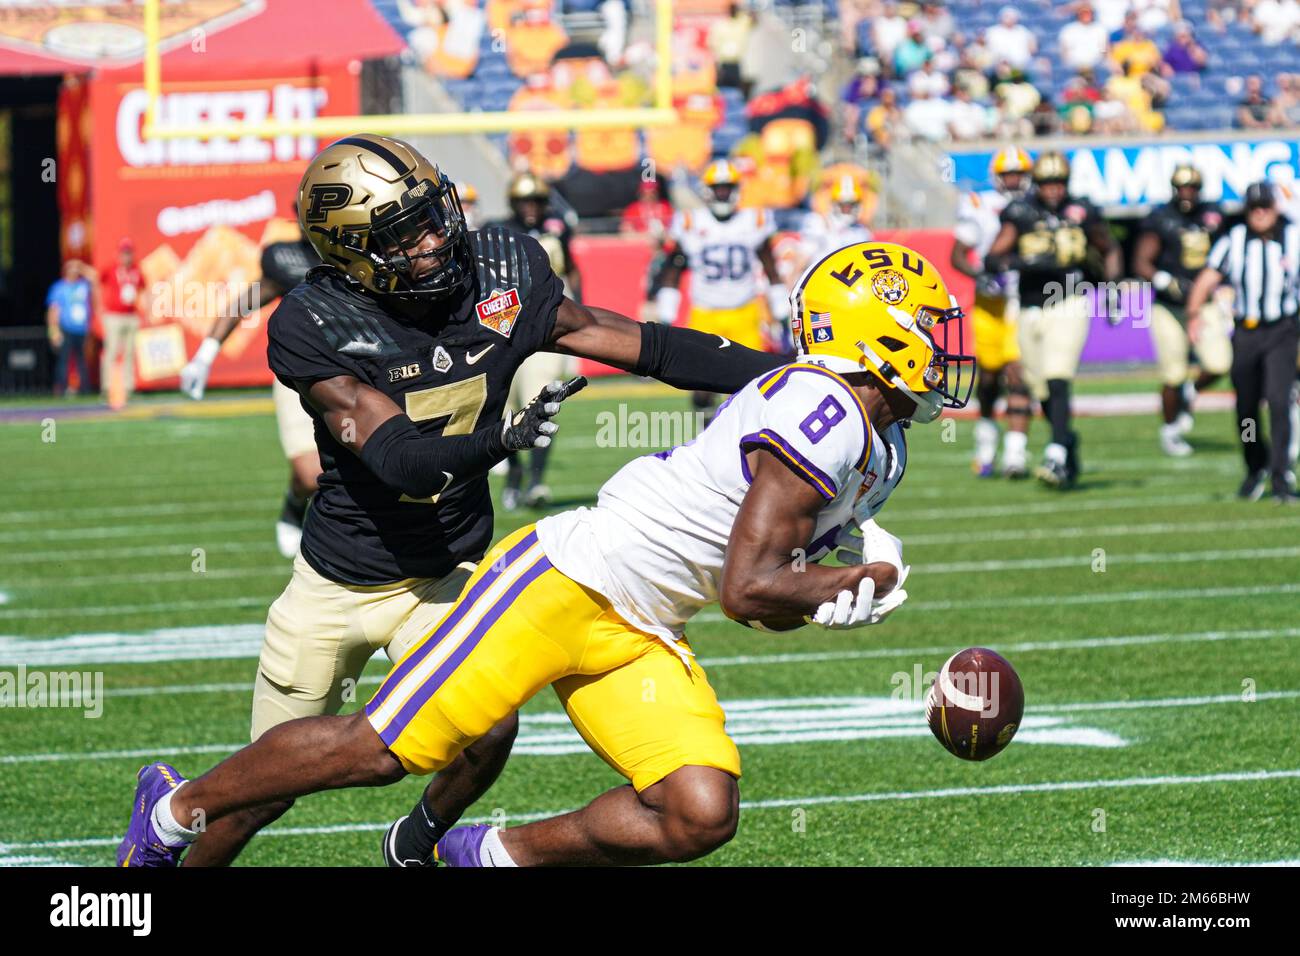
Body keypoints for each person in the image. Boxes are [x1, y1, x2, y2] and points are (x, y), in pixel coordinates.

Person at [118, 240, 974, 869]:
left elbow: (756, 603)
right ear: (876, 334)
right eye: (928, 325)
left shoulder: (880, 442)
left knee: (697, 810)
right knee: (384, 748)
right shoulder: (821, 411)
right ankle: (176, 808)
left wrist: (828, 596)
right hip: (563, 583)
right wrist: (854, 580)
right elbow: (752, 590)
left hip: (641, 624)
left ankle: (483, 855)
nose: (946, 343)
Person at [136, 134, 789, 868]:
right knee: (259, 793)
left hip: (448, 569)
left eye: (433, 212)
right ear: (353, 253)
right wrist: (500, 442)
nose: (436, 237)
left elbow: (648, 346)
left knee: (489, 732)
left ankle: (414, 845)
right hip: (340, 580)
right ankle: (161, 840)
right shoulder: (314, 322)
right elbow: (399, 462)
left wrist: (795, 374)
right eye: (404, 232)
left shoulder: (500, 268)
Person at [180, 209, 326, 558]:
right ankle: (294, 505)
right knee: (310, 476)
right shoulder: (285, 259)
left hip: (358, 375)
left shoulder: (358, 257)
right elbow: (243, 303)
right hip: (300, 377)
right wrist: (205, 353)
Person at [986, 150, 1121, 488]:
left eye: (1059, 182)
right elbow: (994, 255)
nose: (1053, 189)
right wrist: (1022, 261)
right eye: (1048, 182)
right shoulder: (1021, 212)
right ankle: (1067, 440)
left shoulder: (1083, 211)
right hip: (1030, 308)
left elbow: (1110, 248)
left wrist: (1112, 287)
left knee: (1059, 376)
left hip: (1069, 301)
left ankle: (1057, 453)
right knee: (1040, 387)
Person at [1186, 182, 1300, 502]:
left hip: (1283, 331)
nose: (1260, 213)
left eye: (1265, 206)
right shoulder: (1233, 241)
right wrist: (1193, 314)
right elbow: (1208, 277)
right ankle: (1255, 465)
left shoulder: (1293, 238)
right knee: (1247, 409)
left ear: (1276, 208)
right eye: (1254, 208)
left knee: (1280, 402)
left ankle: (1281, 475)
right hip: (1247, 333)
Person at [655, 158, 790, 417]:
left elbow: (771, 269)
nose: (723, 193)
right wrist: (666, 317)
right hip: (706, 313)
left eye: (727, 187)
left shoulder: (754, 220)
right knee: (700, 383)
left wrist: (782, 314)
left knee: (753, 383)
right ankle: (707, 433)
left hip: (745, 312)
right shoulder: (690, 223)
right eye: (718, 188)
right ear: (707, 190)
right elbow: (672, 272)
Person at [489, 172, 581, 510]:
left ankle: (537, 481)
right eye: (526, 201)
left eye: (537, 201)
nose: (532, 208)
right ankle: (514, 475)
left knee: (541, 402)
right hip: (507, 329)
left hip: (548, 330)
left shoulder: (557, 230)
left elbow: (571, 269)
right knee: (505, 407)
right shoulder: (497, 231)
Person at [1131, 163, 1229, 457]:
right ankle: (1170, 430)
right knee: (1173, 374)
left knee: (1220, 363)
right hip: (1169, 306)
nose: (1187, 194)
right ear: (1174, 189)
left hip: (1203, 304)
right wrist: (1163, 279)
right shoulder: (1161, 218)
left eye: (1192, 188)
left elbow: (1224, 254)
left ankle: (1191, 392)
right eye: (1182, 188)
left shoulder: (1214, 215)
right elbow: (1141, 261)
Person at [950, 145, 1034, 478]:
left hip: (1022, 300)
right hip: (989, 303)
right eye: (1008, 174)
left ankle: (1015, 453)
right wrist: (981, 275)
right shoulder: (978, 204)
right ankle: (986, 442)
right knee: (988, 378)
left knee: (1018, 373)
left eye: (1018, 174)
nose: (1014, 181)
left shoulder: (1034, 206)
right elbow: (958, 255)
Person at [98, 238, 147, 405]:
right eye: (124, 253)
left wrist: (144, 312)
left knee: (129, 353)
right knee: (111, 351)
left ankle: (129, 387)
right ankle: (107, 387)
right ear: (119, 254)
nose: (126, 256)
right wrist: (100, 308)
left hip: (131, 315)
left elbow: (143, 291)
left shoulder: (137, 271)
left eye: (129, 253)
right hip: (113, 316)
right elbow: (98, 283)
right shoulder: (111, 270)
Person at [46, 259, 94, 397]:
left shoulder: (83, 285)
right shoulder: (59, 287)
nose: (73, 272)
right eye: (71, 269)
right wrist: (53, 330)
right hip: (66, 328)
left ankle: (85, 390)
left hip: (82, 329)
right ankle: (61, 388)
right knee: (64, 360)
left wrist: (80, 267)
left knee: (82, 360)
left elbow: (95, 277)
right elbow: (53, 310)